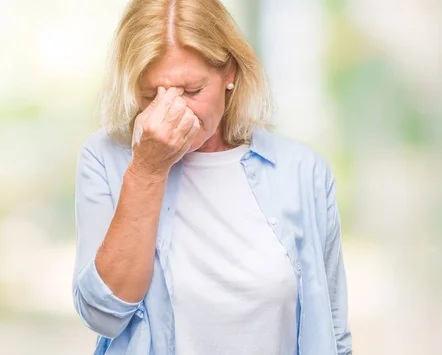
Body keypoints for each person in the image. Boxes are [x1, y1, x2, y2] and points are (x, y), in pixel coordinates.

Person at [72, 0, 352, 354]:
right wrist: (147, 170)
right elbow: (102, 315)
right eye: (150, 95)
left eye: (191, 91)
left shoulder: (302, 173)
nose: (172, 111)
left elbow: (333, 335)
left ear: (229, 73)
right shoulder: (105, 158)